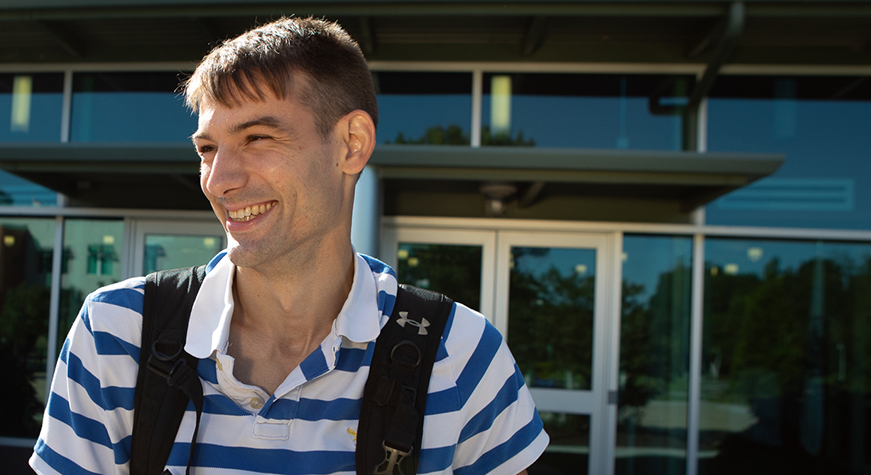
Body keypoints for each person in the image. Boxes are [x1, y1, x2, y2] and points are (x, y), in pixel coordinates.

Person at [31, 17, 549, 475]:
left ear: (352, 145)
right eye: (208, 148)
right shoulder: (118, 333)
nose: (218, 180)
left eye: (258, 138)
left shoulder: (461, 355)